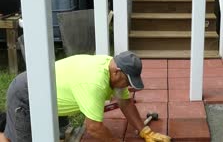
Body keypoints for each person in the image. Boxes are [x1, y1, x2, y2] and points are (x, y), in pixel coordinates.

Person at [0, 51, 170, 142]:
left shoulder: (112, 68)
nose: (128, 85)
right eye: (128, 81)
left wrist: (145, 131)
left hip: (50, 96)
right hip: (27, 94)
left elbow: (125, 103)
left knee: (55, 136)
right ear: (117, 72)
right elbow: (93, 128)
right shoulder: (95, 82)